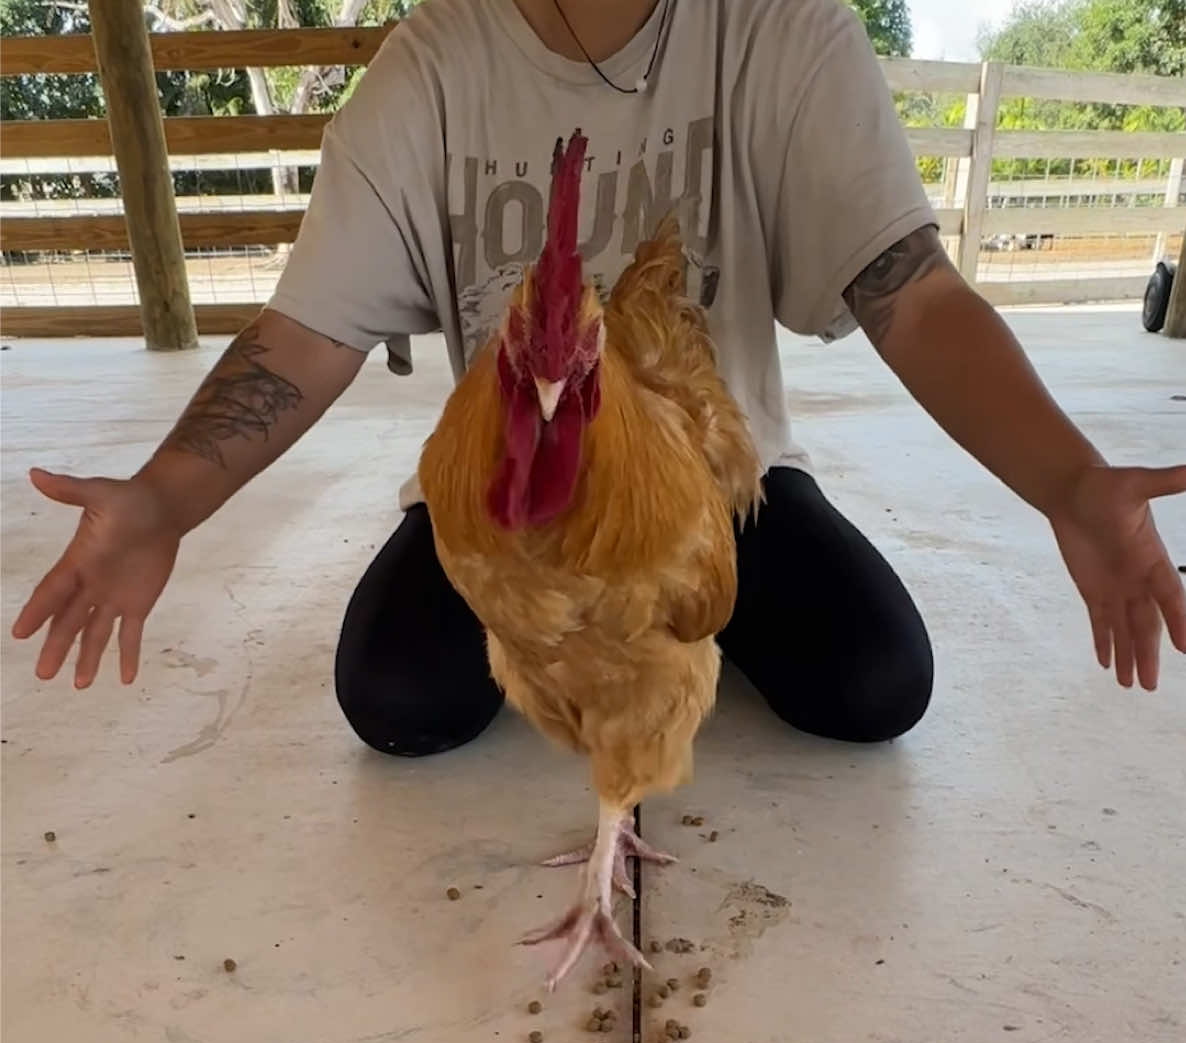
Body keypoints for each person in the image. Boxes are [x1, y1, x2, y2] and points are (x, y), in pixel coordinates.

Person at [13, 0, 1186, 756]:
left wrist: (1069, 481)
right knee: (397, 702)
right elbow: (306, 337)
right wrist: (168, 496)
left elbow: (911, 292)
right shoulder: (431, 63)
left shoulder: (779, 30)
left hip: (710, 489)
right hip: (507, 496)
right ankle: (603, 649)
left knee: (876, 685)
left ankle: (658, 644)